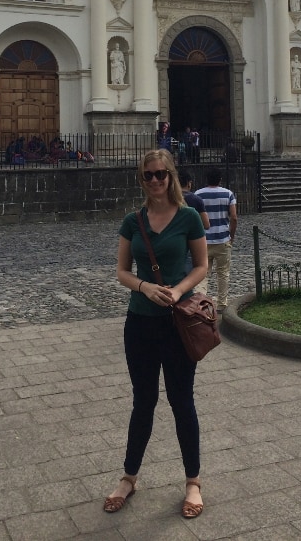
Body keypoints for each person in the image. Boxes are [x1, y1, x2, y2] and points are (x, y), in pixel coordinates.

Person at [104, 150, 207, 519]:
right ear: (141, 179)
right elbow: (121, 271)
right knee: (143, 401)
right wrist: (144, 287)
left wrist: (178, 292)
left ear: (171, 176)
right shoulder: (133, 221)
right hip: (141, 323)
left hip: (178, 324)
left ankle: (193, 482)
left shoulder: (189, 217)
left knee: (182, 401)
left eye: (161, 174)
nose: (155, 180)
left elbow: (201, 265)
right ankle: (129, 477)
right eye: (148, 175)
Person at [195, 167, 237, 313]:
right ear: (220, 179)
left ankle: (201, 302)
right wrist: (231, 235)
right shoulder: (228, 194)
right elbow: (234, 217)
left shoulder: (198, 194)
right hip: (222, 238)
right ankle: (221, 304)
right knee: (223, 273)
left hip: (203, 241)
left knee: (202, 273)